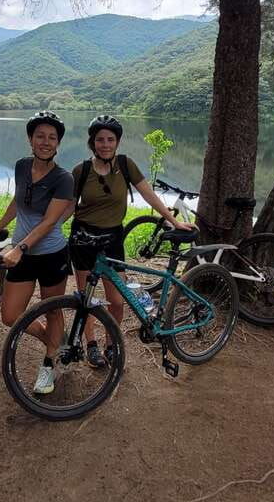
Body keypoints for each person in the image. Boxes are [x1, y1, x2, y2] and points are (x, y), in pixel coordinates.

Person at [67, 115, 195, 368]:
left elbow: (149, 194)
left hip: (112, 239)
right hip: (82, 239)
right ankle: (91, 344)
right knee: (86, 298)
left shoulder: (125, 165)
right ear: (92, 142)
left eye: (110, 139)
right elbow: (68, 208)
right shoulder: (81, 170)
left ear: (117, 142)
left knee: (116, 299)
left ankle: (111, 344)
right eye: (100, 140)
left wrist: (173, 221)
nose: (105, 144)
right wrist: (44, 231)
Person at [0, 111, 73, 395]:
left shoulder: (63, 179)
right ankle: (56, 344)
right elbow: (18, 201)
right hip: (21, 254)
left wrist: (19, 247)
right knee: (10, 316)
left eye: (52, 138)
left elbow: (49, 222)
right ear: (30, 140)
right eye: (40, 136)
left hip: (51, 254)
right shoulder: (21, 166)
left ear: (58, 143)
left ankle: (49, 366)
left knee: (53, 310)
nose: (45, 142)